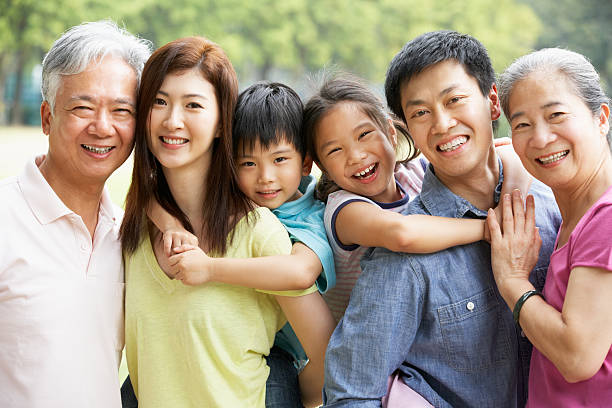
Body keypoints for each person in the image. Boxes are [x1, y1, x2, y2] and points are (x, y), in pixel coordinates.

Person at [322, 31, 561, 407]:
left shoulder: (551, 204)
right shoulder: (402, 257)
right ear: (407, 128)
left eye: (454, 100)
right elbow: (350, 395)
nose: (443, 124)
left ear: (492, 102)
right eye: (420, 112)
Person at [120, 37, 330, 408]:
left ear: (221, 124)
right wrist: (165, 221)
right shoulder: (136, 227)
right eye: (159, 101)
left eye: (193, 105)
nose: (172, 120)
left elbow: (329, 353)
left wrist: (286, 397)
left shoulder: (258, 231)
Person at [0, 20, 150, 408]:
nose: (102, 127)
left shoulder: (130, 237)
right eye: (83, 108)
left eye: (122, 111)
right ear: (47, 117)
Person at [302, 74, 531, 322]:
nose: (356, 156)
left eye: (364, 135)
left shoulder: (414, 172)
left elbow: (511, 153)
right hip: (373, 332)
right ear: (321, 165)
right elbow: (402, 234)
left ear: (390, 132)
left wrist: (508, 208)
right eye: (335, 150)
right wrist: (489, 227)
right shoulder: (344, 210)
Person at [488, 48, 612, 407]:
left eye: (556, 115)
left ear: (601, 117)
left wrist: (513, 283)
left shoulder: (605, 217)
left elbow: (577, 358)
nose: (541, 139)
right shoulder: (575, 208)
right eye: (522, 125)